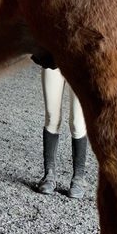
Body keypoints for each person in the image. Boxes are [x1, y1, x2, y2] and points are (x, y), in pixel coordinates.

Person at [36, 65, 90, 199]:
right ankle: (49, 174)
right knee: (51, 117)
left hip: (80, 62)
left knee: (78, 123)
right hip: (53, 61)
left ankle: (78, 178)